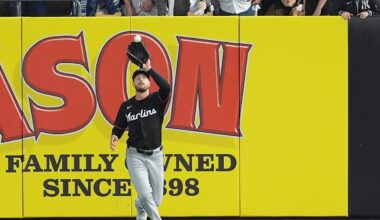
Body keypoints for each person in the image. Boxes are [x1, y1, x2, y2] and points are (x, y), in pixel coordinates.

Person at [110, 59, 170, 220]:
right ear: (133, 83)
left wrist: (149, 69)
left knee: (156, 199)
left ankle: (140, 205)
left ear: (149, 82)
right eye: (137, 78)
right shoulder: (127, 106)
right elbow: (119, 126)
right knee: (145, 193)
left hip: (156, 155)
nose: (141, 79)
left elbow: (166, 87)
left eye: (144, 77)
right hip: (135, 155)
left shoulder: (156, 100)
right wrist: (115, 135)